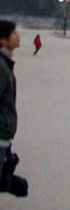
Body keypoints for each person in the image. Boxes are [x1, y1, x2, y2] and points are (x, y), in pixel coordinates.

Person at [0, 20, 28, 196]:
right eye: (14, 33)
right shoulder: (1, 67)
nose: (18, 36)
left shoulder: (5, 63)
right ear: (3, 40)